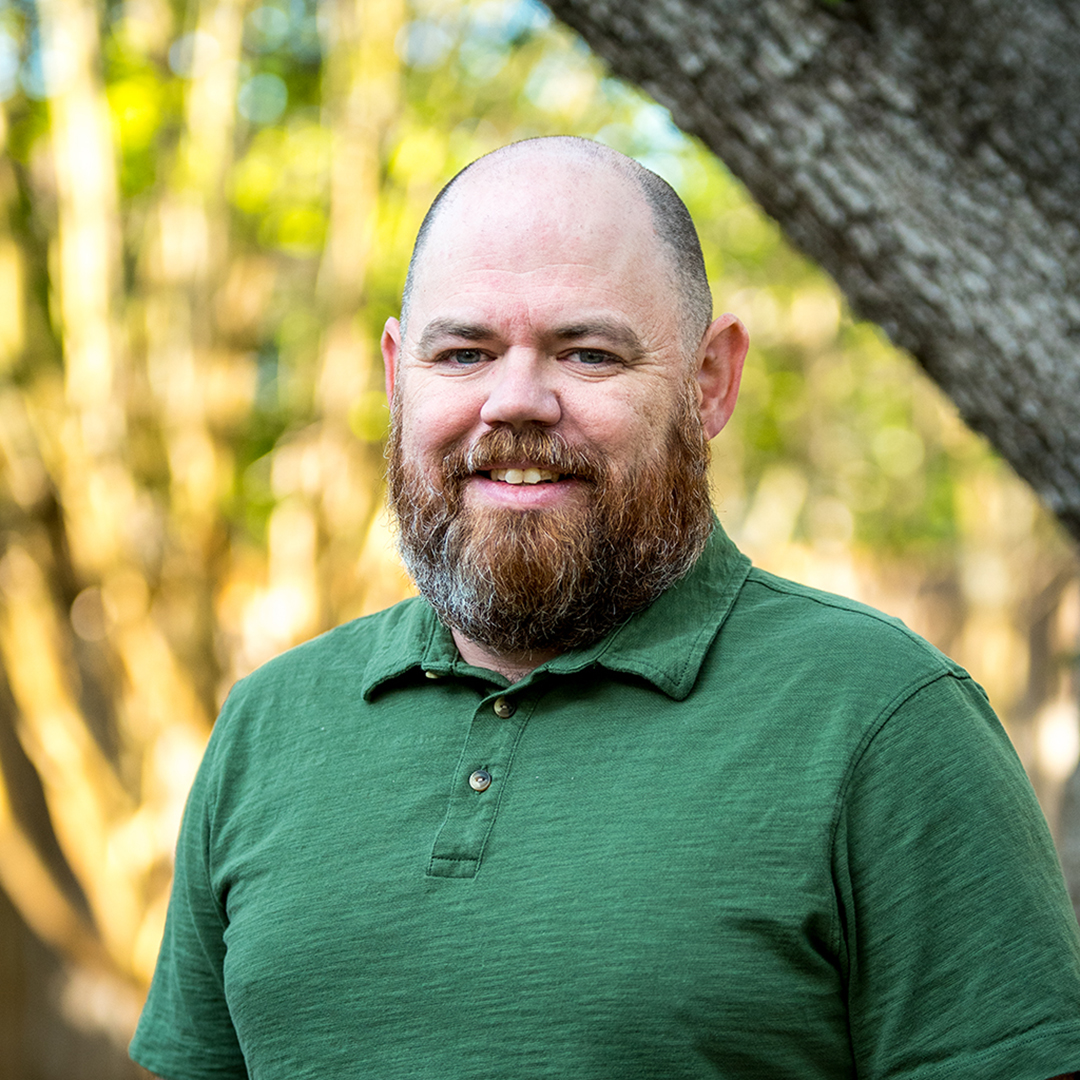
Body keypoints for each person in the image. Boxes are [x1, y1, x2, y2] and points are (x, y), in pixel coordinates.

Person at [130, 136, 1080, 1080]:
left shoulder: (884, 721)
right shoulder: (269, 725)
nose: (516, 403)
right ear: (395, 377)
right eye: (463, 352)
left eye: (587, 353)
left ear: (709, 382)